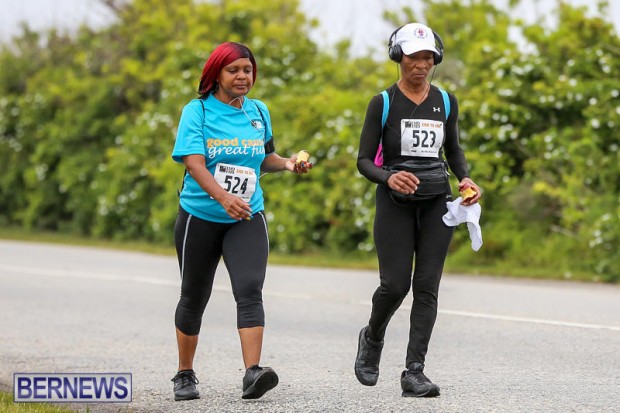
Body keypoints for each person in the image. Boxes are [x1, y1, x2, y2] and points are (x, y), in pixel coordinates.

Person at [170, 42, 312, 402]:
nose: (242, 76)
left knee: (249, 289)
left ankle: (252, 373)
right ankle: (184, 373)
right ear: (216, 74)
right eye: (233, 70)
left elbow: (264, 157)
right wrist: (223, 197)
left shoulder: (258, 111)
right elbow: (194, 164)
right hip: (200, 216)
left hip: (247, 215)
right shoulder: (198, 111)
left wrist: (288, 163)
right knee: (194, 295)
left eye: (247, 70)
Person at [354, 23, 481, 397]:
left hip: (436, 202)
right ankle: (372, 336)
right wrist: (389, 177)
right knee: (395, 285)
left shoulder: (447, 101)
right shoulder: (383, 102)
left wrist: (465, 179)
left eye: (428, 58)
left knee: (426, 286)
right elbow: (364, 160)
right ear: (398, 57)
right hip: (395, 203)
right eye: (413, 57)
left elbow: (453, 150)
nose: (421, 65)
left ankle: (414, 371)